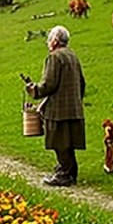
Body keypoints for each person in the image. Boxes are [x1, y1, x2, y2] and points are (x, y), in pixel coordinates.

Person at [25, 25, 86, 187]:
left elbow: (49, 85)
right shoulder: (73, 55)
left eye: (49, 39)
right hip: (74, 107)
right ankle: (69, 171)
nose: (47, 42)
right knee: (68, 142)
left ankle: (65, 174)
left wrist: (33, 90)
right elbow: (82, 82)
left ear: (55, 41)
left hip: (59, 109)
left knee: (59, 142)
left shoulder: (54, 57)